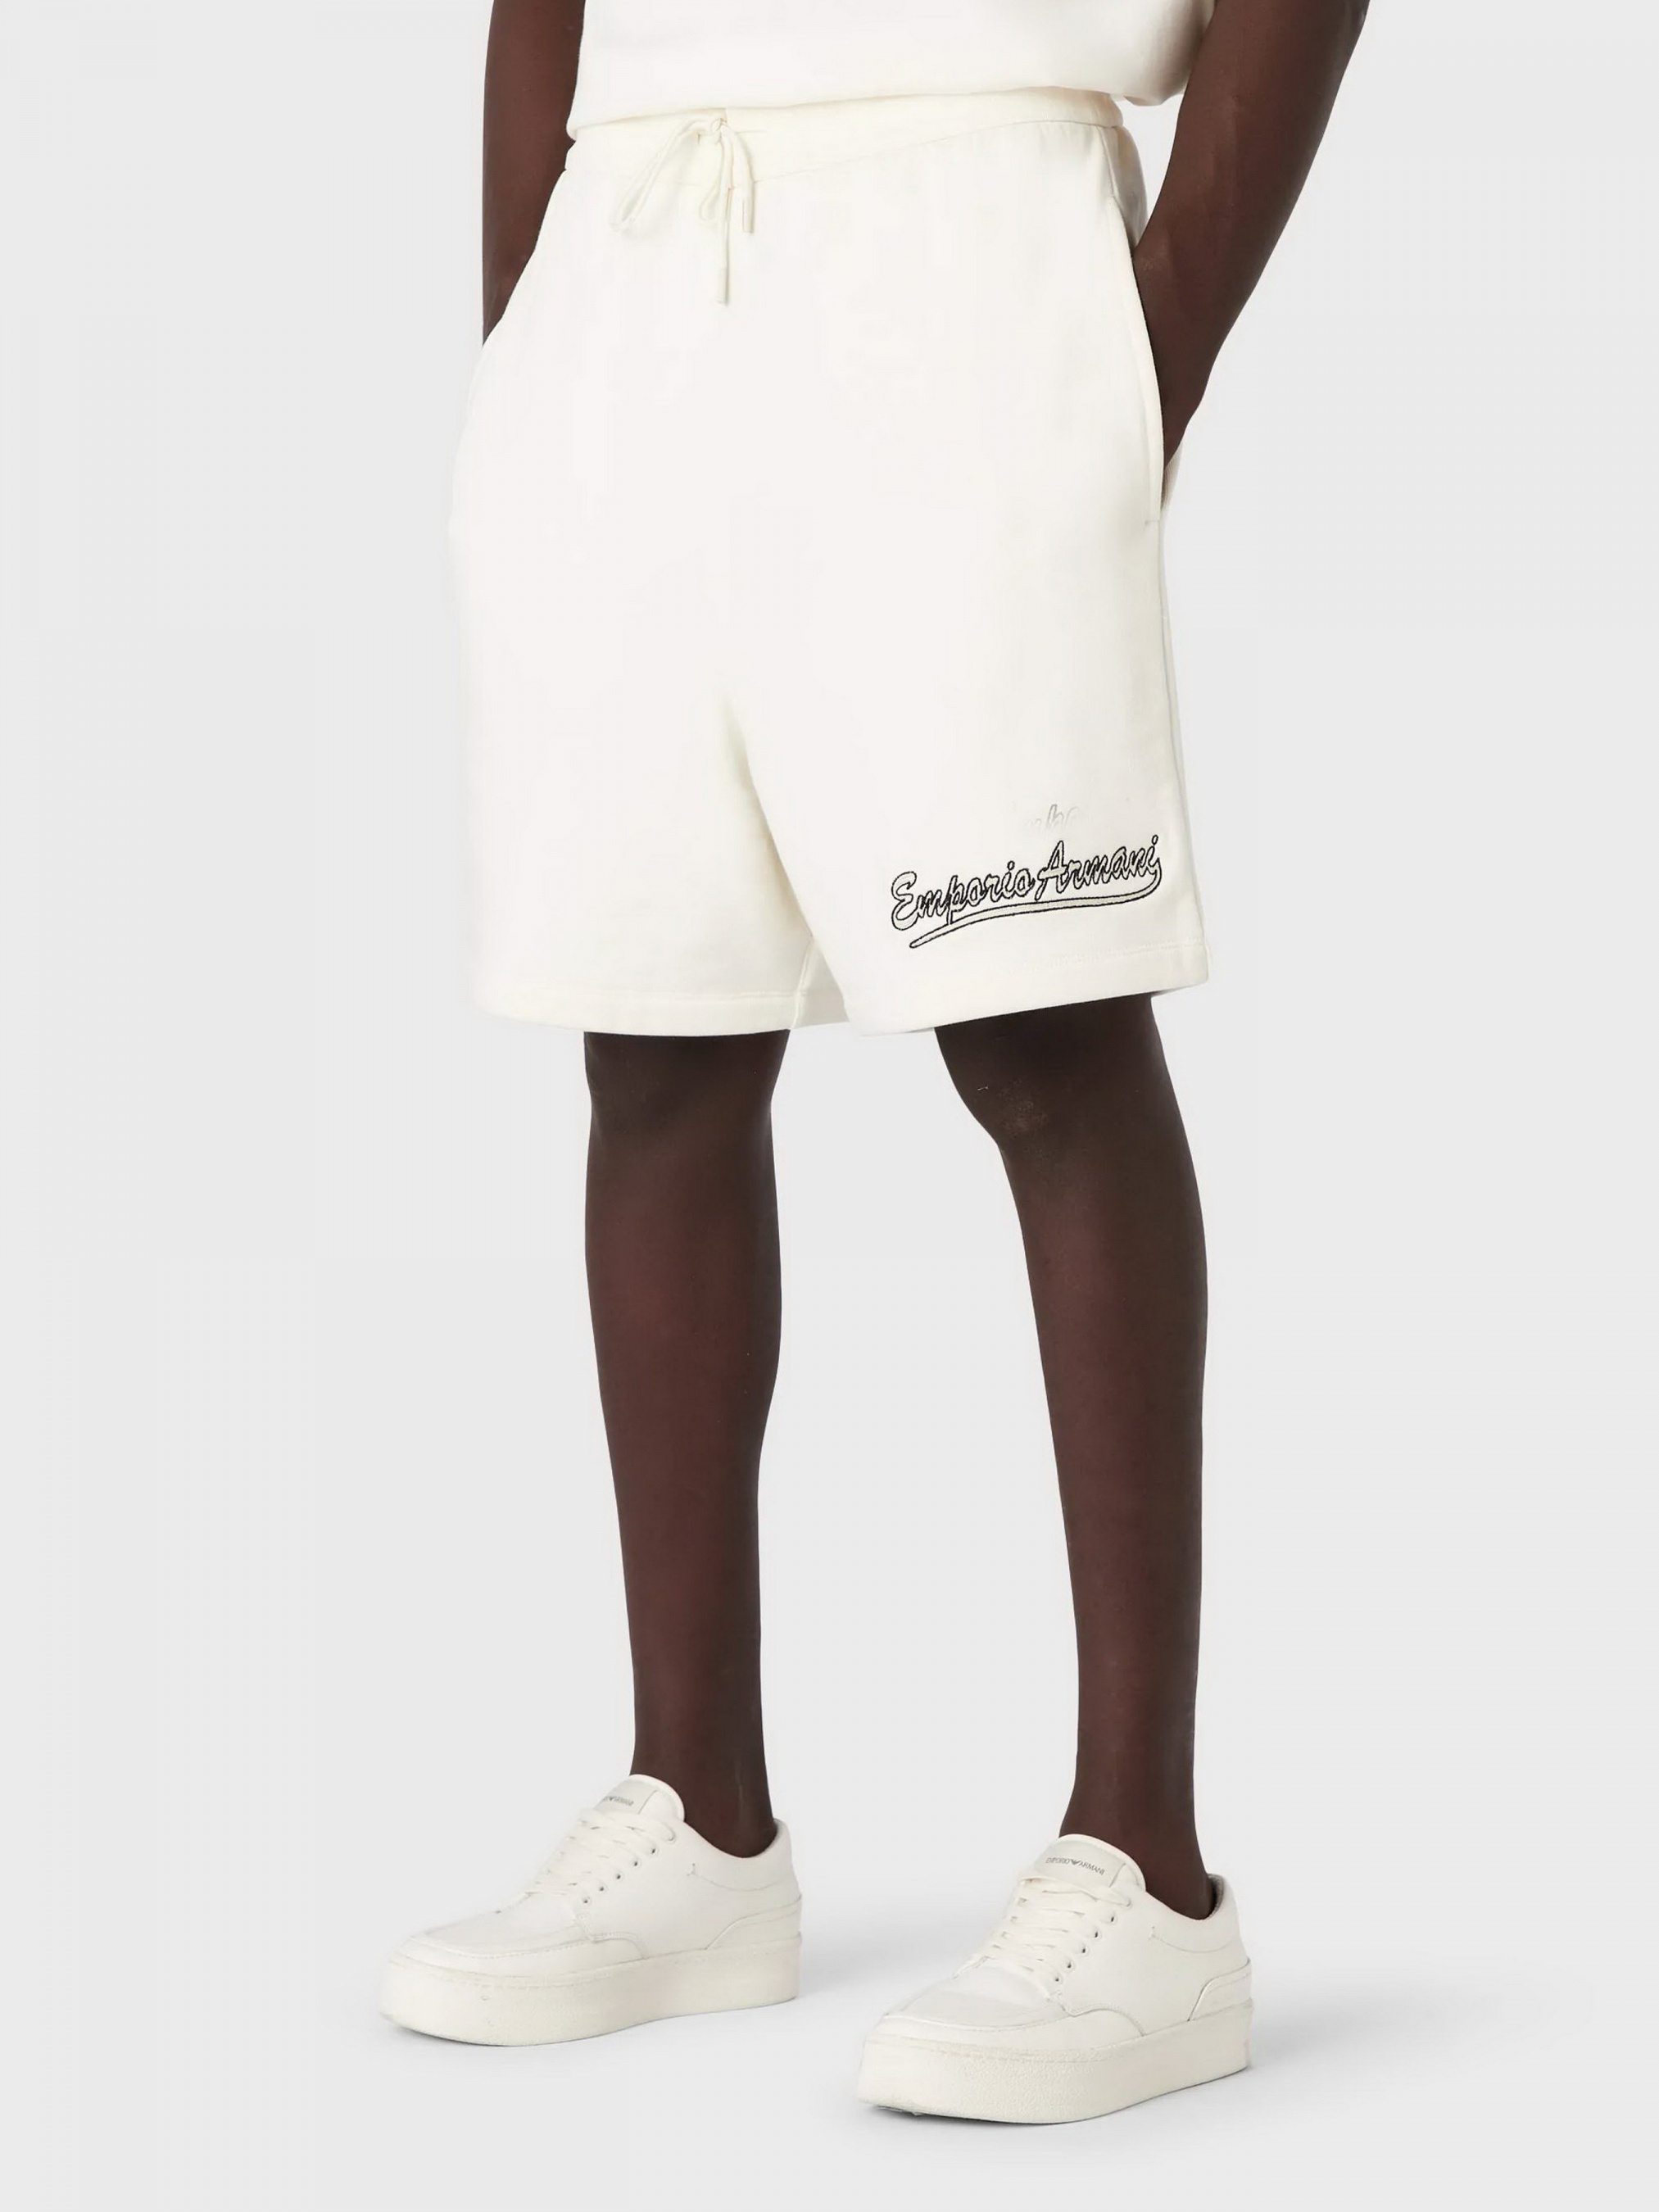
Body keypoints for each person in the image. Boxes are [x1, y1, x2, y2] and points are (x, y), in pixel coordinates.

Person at [382, 0, 1367, 2124]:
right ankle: (699, 1821)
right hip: (628, 261)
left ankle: (1149, 1871)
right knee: (655, 1040)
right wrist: (523, 332)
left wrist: (1163, 329)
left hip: (974, 240)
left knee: (1043, 1027)